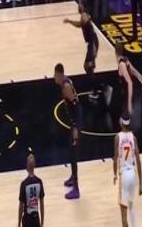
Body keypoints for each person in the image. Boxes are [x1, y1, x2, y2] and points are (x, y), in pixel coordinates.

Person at [53, 63, 81, 199]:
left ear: (59, 74)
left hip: (76, 123)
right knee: (70, 153)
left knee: (73, 155)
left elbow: (76, 106)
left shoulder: (66, 87)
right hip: (72, 122)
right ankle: (73, 178)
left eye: (55, 75)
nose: (54, 77)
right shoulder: (65, 81)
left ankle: (76, 189)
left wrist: (75, 127)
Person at [113, 115, 142, 227]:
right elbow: (138, 161)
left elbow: (115, 158)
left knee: (123, 215)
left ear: (121, 123)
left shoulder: (117, 137)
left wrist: (114, 174)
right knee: (131, 206)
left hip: (124, 175)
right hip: (132, 174)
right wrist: (141, 184)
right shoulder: (133, 138)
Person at [63, 0, 98, 75]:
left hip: (92, 42)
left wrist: (69, 21)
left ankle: (93, 78)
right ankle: (92, 75)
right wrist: (70, 21)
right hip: (92, 42)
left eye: (79, 4)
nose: (78, 6)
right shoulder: (84, 15)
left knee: (87, 65)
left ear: (82, 5)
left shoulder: (84, 15)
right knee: (88, 66)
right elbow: (80, 24)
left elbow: (81, 24)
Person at [18, 153, 45, 227]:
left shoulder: (24, 184)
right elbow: (42, 204)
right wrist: (42, 221)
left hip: (27, 219)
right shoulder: (39, 182)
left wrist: (19, 223)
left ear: (27, 166)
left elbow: (21, 206)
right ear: (35, 165)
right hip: (36, 218)